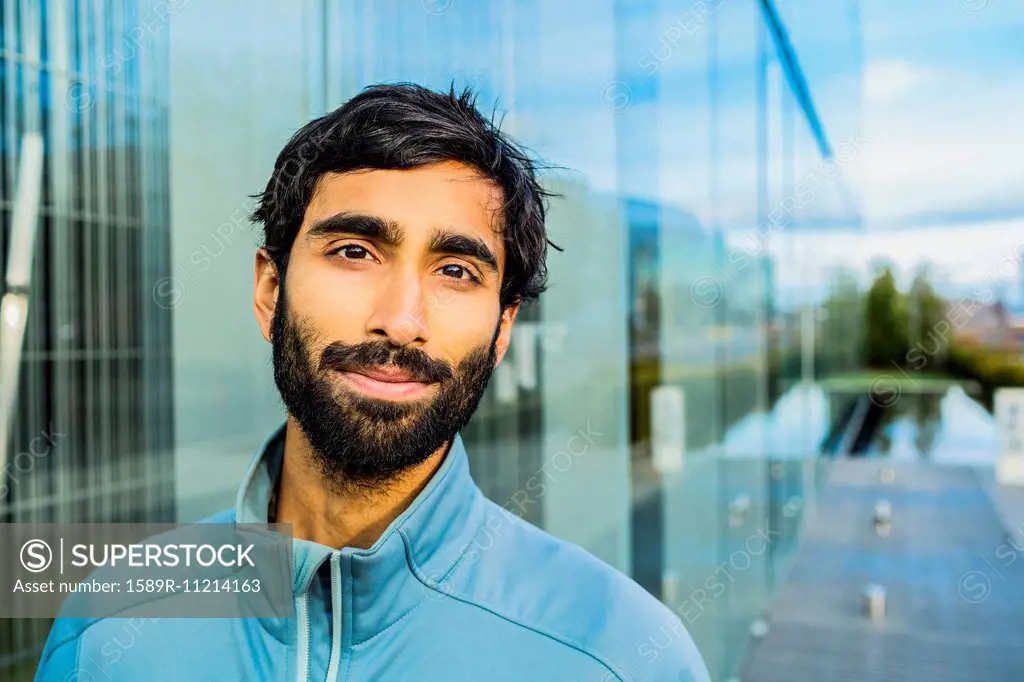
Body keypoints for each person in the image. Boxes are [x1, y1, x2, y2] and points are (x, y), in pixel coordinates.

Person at [36, 83, 709, 681]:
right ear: (271, 290)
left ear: (503, 330)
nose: (400, 321)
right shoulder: (109, 619)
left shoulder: (620, 654)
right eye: (354, 252)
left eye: (456, 271)